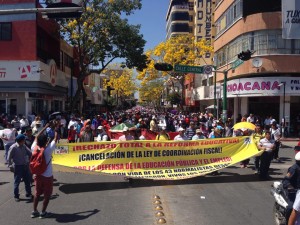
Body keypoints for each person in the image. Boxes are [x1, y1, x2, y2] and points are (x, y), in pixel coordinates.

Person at [31, 123, 58, 218]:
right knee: (47, 195)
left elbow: (37, 137)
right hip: (47, 176)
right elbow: (55, 138)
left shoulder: (34, 148)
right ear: (46, 141)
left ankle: (34, 211)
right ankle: (43, 212)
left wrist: (45, 127)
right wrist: (55, 130)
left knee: (37, 194)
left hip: (38, 174)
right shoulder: (48, 150)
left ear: (38, 141)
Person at [7, 134, 33, 202]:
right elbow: (8, 157)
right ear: (21, 141)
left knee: (27, 181)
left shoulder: (24, 146)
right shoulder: (13, 147)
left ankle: (28, 193)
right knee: (17, 182)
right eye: (24, 140)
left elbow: (30, 153)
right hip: (18, 167)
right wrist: (10, 166)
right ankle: (16, 196)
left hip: (25, 166)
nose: (25, 141)